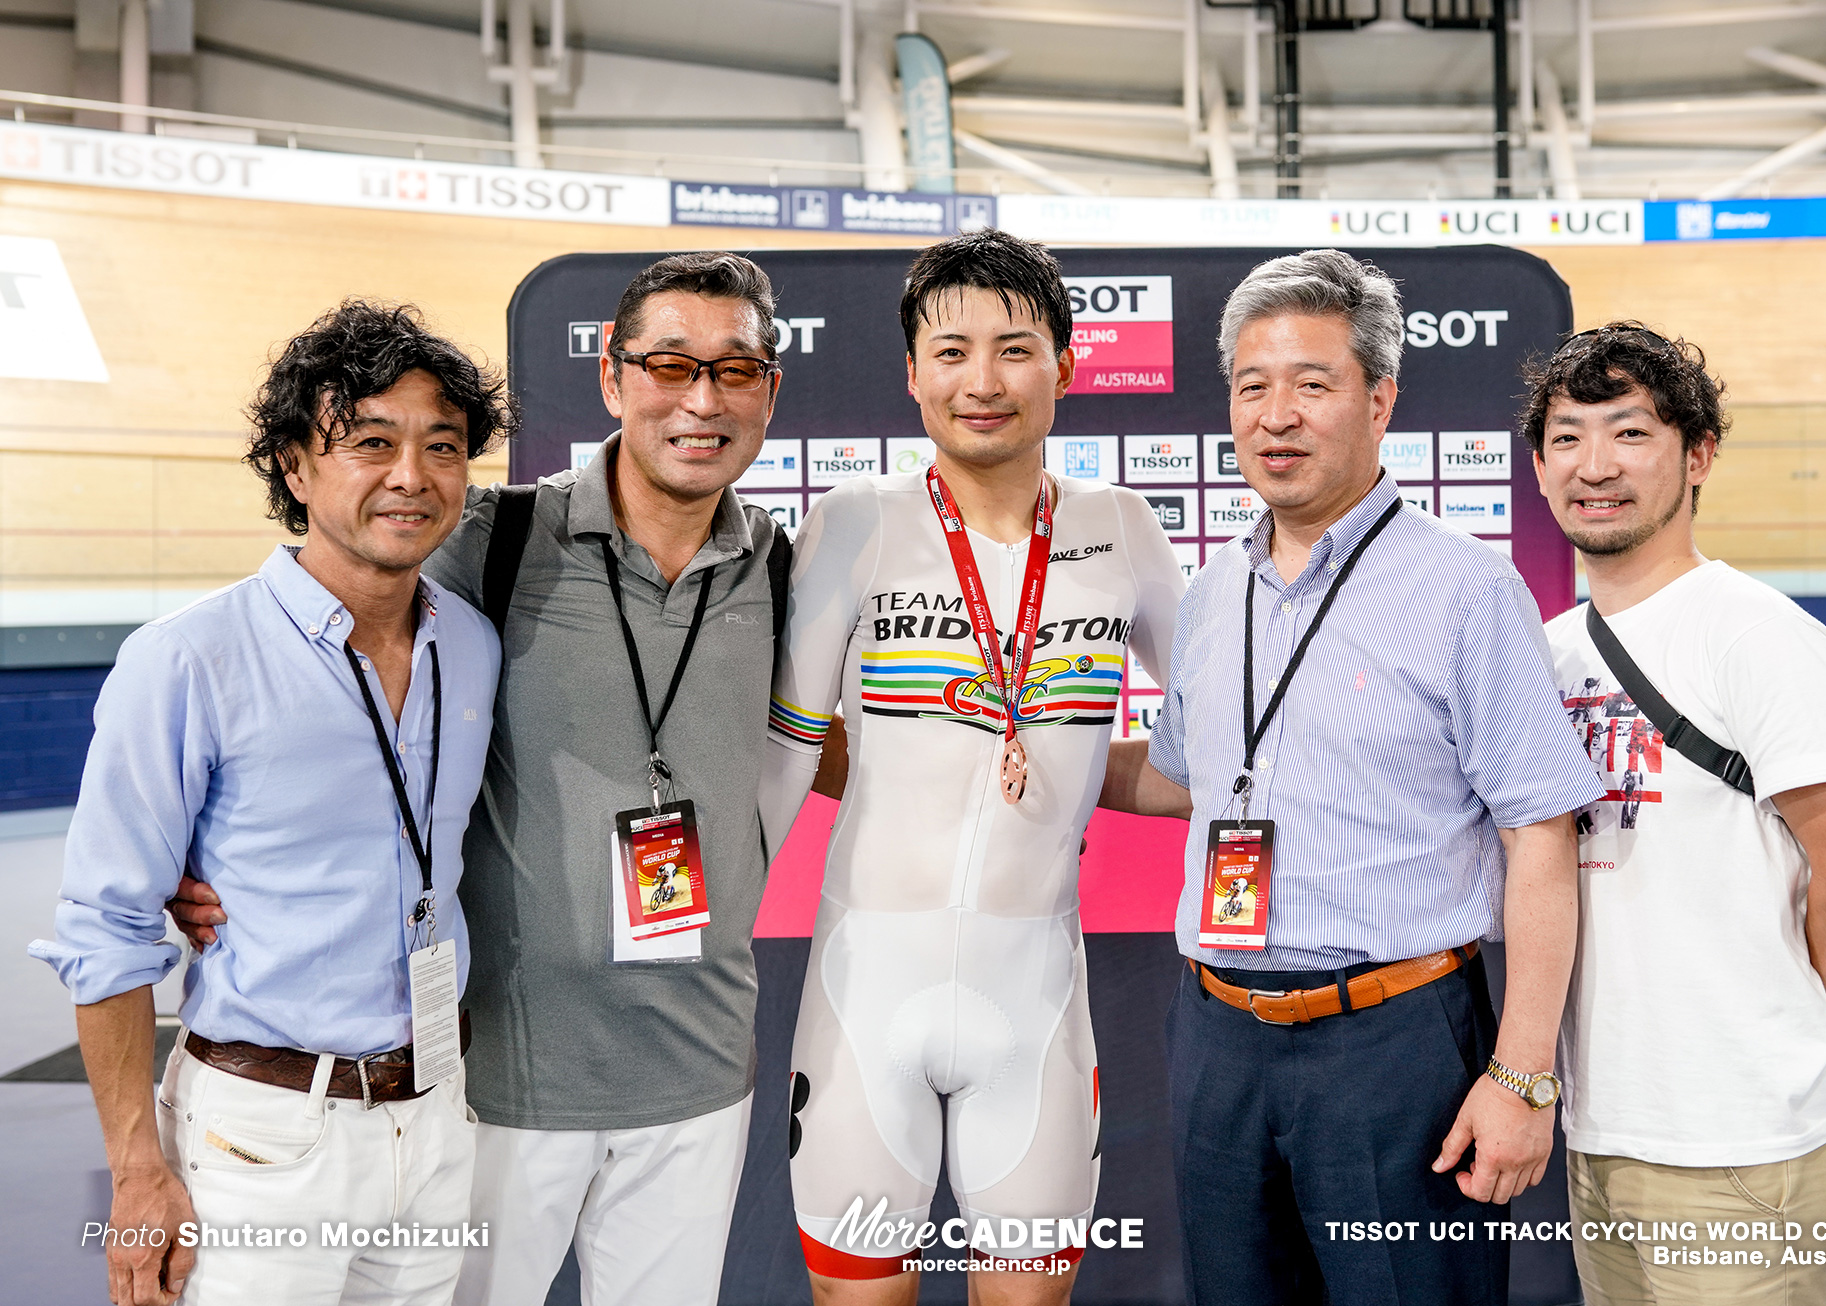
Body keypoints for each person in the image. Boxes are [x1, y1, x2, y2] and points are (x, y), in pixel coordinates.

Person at [172, 252, 792, 1305]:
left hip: (699, 1070)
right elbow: (322, 689)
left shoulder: (783, 564)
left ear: (768, 389)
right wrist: (211, 859)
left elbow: (854, 739)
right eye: (670, 365)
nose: (701, 399)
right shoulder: (488, 541)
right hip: (500, 1076)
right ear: (612, 376)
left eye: (735, 371)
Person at [1102, 249, 1608, 1306]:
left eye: (1310, 383)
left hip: (1394, 1049)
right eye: (1252, 386)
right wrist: (986, 755)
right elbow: (1177, 779)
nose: (1275, 415)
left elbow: (1541, 837)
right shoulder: (1210, 595)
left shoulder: (1465, 589)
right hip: (1216, 1039)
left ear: (1379, 400)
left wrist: (1521, 1078)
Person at [31, 300, 510, 1306]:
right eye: (370, 443)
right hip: (261, 1134)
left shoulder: (469, 643)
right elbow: (105, 922)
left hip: (431, 1113)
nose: (411, 476)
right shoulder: (187, 660)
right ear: (294, 467)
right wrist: (135, 1171)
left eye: (444, 447)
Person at [759, 230, 1187, 1304]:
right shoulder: (852, 522)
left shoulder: (1122, 526)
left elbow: (1208, 750)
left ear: (1066, 365)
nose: (982, 381)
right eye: (950, 353)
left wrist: (1085, 774)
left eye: (1015, 348)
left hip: (1033, 998)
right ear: (911, 374)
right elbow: (787, 749)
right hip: (865, 993)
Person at [1525, 323, 1826, 1305]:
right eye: (1566, 437)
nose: (1594, 465)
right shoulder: (1547, 649)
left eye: (1629, 433)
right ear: (1537, 466)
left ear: (1697, 455)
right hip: (1603, 1131)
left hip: (1744, 1142)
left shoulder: (1760, 636)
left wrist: (1803, 1004)